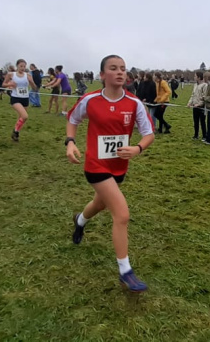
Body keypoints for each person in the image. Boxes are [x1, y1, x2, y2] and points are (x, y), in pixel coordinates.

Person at [66, 54, 155, 293]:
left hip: (119, 167)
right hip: (95, 165)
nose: (120, 72)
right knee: (122, 214)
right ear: (102, 75)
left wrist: (137, 148)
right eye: (113, 68)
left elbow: (149, 134)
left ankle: (80, 220)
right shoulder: (90, 99)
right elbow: (72, 119)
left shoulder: (134, 103)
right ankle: (125, 271)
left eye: (123, 68)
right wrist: (70, 142)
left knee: (99, 204)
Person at [3, 59, 38, 142]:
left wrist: (31, 82)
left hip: (25, 98)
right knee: (25, 116)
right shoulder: (11, 74)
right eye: (21, 66)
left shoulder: (28, 75)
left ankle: (16, 132)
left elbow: (34, 88)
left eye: (24, 66)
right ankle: (15, 131)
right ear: (17, 66)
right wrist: (10, 84)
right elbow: (3, 84)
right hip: (15, 98)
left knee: (21, 118)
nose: (22, 68)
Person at [187, 71, 207, 141]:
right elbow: (193, 95)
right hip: (194, 106)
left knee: (202, 122)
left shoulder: (205, 85)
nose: (194, 77)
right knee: (195, 121)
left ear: (199, 77)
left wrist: (199, 104)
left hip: (201, 107)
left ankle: (204, 136)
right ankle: (196, 135)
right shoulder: (195, 85)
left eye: (195, 76)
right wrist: (189, 103)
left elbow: (204, 97)